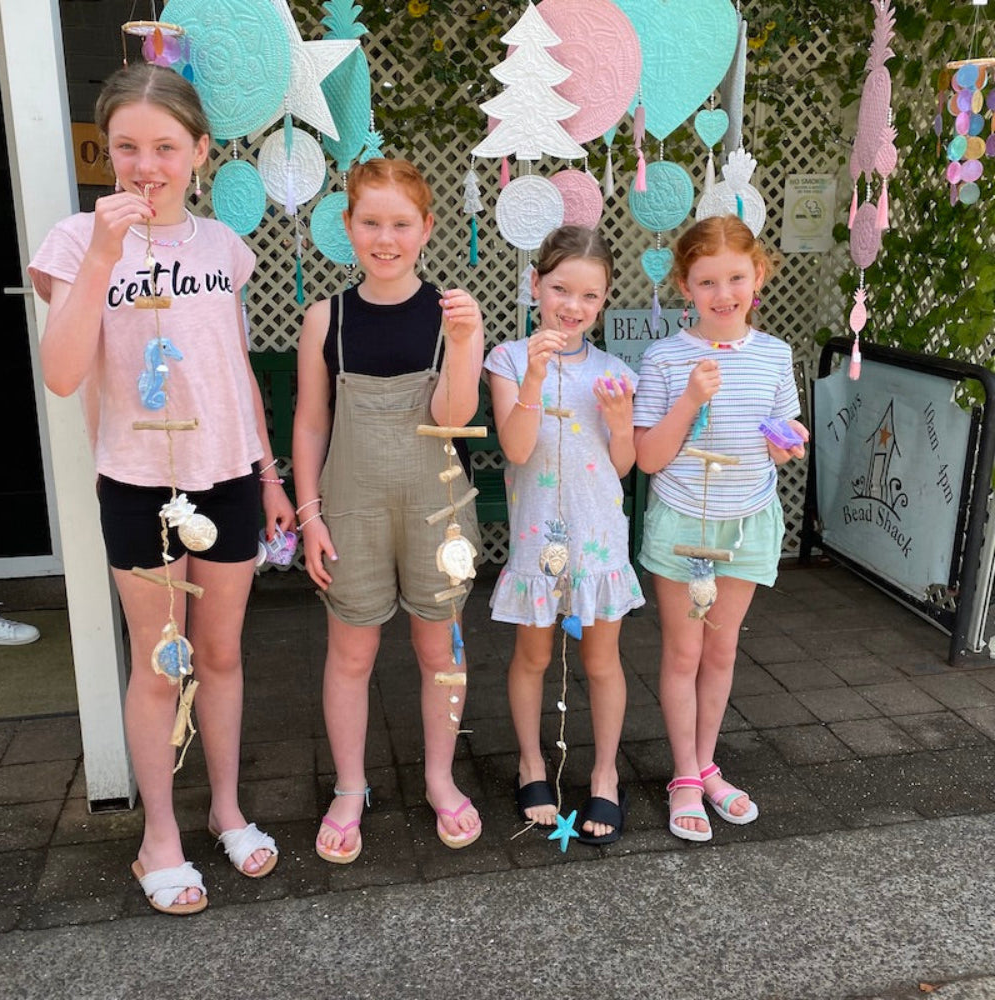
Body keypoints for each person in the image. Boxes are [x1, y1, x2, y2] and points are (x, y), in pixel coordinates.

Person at [29, 63, 294, 914]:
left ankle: (225, 811)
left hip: (227, 481)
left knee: (220, 657)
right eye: (127, 146)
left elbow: (235, 369)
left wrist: (268, 472)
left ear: (201, 152)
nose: (147, 164)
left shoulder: (222, 247)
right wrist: (106, 253)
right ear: (106, 151)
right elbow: (63, 375)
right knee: (159, 667)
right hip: (139, 486)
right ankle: (159, 840)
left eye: (167, 147)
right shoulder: (78, 240)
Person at [292, 158, 485, 862]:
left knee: (440, 650)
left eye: (401, 223)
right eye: (370, 222)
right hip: (351, 511)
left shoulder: (453, 316)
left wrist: (464, 346)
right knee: (351, 652)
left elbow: (455, 418)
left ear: (426, 229)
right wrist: (310, 515)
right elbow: (312, 424)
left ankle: (439, 776)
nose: (385, 237)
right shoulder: (326, 318)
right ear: (347, 228)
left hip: (436, 512)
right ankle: (349, 786)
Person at [632, 214, 808, 843]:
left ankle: (707, 764)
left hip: (748, 519)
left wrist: (788, 445)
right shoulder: (665, 357)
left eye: (736, 277)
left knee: (723, 648)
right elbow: (648, 459)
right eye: (707, 281)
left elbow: (781, 434)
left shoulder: (775, 355)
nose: (724, 293)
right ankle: (683, 775)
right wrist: (689, 400)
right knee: (683, 651)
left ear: (757, 275)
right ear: (685, 285)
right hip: (683, 520)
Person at [484, 225, 644, 845]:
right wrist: (531, 376)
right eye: (560, 289)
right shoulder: (506, 359)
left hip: (598, 537)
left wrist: (622, 422)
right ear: (535, 286)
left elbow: (624, 464)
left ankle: (604, 773)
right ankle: (530, 761)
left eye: (590, 296)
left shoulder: (613, 371)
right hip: (536, 538)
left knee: (602, 662)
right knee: (533, 655)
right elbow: (517, 447)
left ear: (604, 301)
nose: (573, 307)